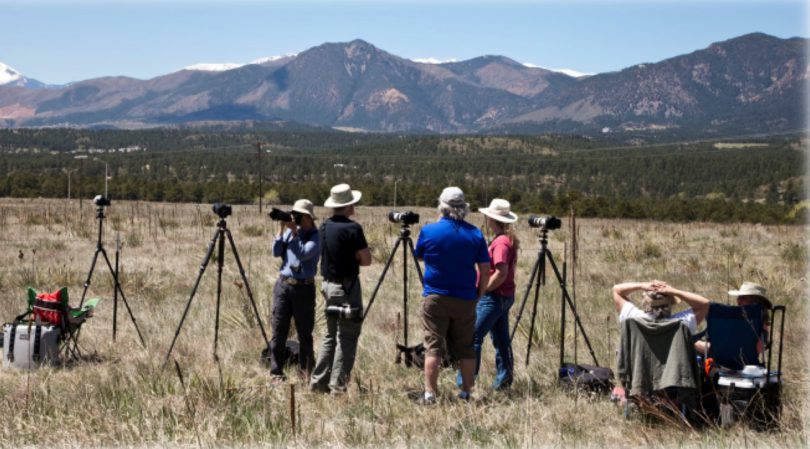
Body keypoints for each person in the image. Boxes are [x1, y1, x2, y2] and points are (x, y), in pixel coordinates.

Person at [414, 186, 490, 403]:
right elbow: (485, 269)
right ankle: (466, 392)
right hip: (465, 297)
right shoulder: (475, 233)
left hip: (436, 296)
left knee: (433, 346)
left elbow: (419, 255)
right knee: (466, 348)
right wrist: (479, 293)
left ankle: (430, 394)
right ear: (464, 207)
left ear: (442, 207)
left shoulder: (429, 231)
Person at [310, 183, 371, 394]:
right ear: (349, 205)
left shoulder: (325, 226)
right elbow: (366, 260)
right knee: (347, 336)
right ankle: (338, 387)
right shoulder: (353, 229)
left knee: (329, 335)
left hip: (328, 285)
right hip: (347, 287)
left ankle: (318, 383)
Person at [458, 198, 519, 391]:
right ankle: (504, 380)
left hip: (494, 297)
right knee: (501, 340)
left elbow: (500, 272)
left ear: (492, 219)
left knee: (473, 337)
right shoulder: (507, 239)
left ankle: (466, 382)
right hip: (504, 296)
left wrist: (484, 289)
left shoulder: (500, 242)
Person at [268, 199, 320, 382]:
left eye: (298, 215)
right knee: (278, 329)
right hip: (284, 286)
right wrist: (281, 230)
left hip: (304, 288)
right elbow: (276, 252)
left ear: (307, 217)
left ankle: (305, 372)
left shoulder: (315, 236)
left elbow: (303, 254)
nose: (295, 218)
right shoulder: (290, 233)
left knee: (304, 333)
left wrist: (295, 232)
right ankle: (276, 372)